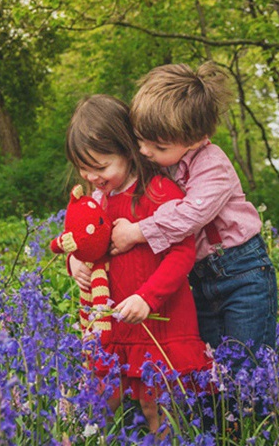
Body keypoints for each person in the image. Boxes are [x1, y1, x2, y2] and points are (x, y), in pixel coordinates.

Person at [63, 94, 212, 434]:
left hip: (160, 319)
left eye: (100, 167)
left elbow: (182, 253)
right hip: (115, 322)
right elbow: (83, 244)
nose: (91, 176)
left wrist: (148, 298)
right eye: (83, 168)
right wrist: (75, 262)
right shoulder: (96, 202)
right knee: (103, 395)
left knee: (155, 400)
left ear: (129, 150)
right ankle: (86, 438)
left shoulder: (159, 192)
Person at [110, 61, 278, 357]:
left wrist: (137, 232)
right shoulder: (163, 163)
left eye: (158, 147)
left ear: (196, 140)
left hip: (243, 273)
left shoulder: (213, 165)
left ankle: (256, 403)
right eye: (140, 141)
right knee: (212, 362)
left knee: (247, 362)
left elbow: (190, 215)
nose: (146, 152)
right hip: (199, 279)